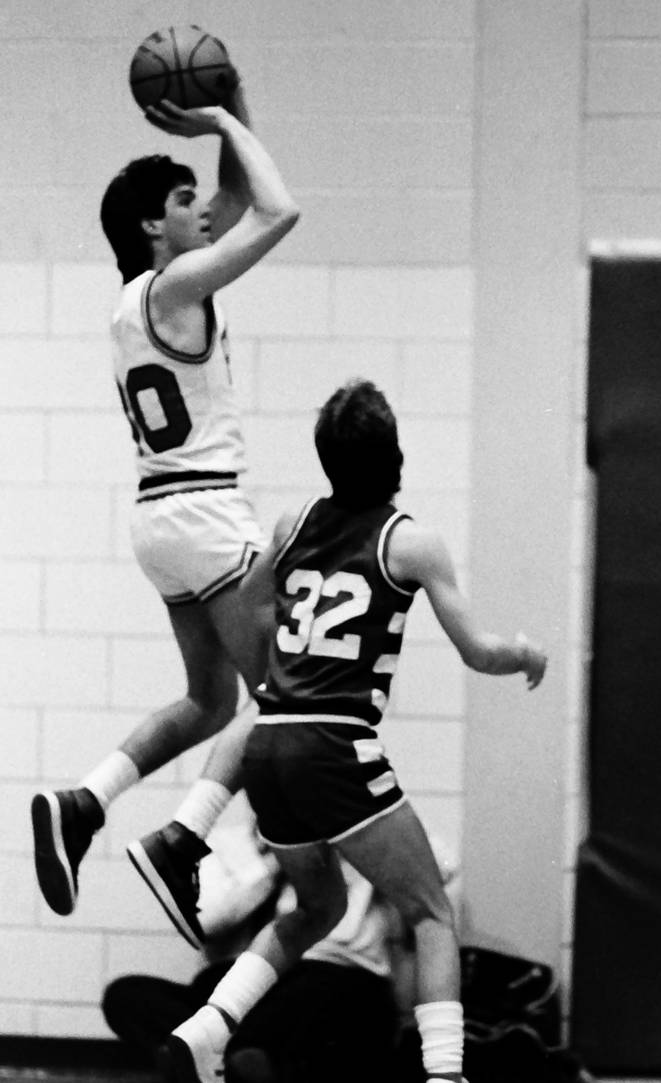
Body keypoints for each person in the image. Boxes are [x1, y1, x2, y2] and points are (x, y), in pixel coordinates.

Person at [160, 379, 548, 1083]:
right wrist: (523, 653)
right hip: (334, 743)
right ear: (394, 455)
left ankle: (207, 1028)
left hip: (269, 741)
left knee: (317, 907)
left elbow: (249, 598)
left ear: (327, 460)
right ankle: (446, 1076)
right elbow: (477, 651)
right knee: (431, 912)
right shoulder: (411, 541)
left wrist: (290, 653)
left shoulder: (293, 522)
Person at [30, 60, 299, 950]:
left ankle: (85, 801)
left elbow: (237, 195)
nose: (204, 211)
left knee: (210, 701)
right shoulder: (174, 290)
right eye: (187, 203)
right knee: (287, 697)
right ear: (154, 225)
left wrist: (232, 109)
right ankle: (184, 839)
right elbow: (277, 210)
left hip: (160, 518)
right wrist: (221, 119)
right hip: (207, 514)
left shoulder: (139, 301)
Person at [102, 799, 459, 1083]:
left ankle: (216, 1058)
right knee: (126, 995)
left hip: (339, 975)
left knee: (337, 1002)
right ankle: (240, 1060)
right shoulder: (227, 844)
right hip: (240, 978)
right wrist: (279, 861)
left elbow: (443, 865)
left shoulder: (362, 845)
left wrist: (362, 829)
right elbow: (207, 920)